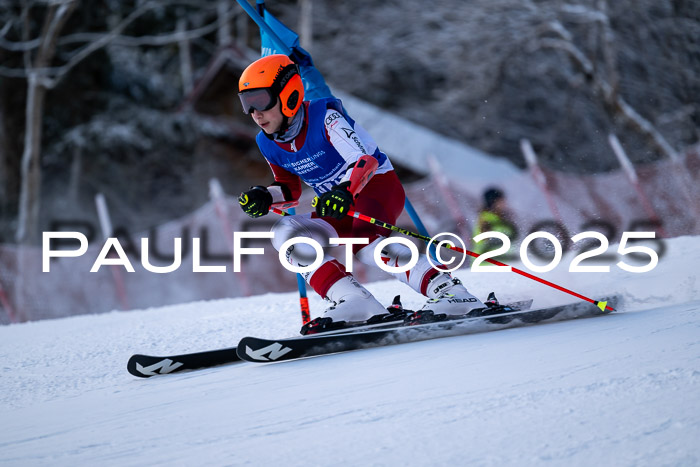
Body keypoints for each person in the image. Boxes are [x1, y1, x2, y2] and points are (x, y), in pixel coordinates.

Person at [237, 54, 484, 333]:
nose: (255, 113)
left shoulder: (325, 118)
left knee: (365, 245)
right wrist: (266, 196)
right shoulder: (267, 142)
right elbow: (289, 189)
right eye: (247, 103)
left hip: (375, 187)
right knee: (286, 231)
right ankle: (353, 299)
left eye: (261, 101)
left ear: (289, 95)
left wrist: (344, 190)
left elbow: (365, 160)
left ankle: (449, 291)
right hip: (337, 204)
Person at [472, 187, 517, 256]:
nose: (504, 203)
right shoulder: (487, 219)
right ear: (493, 202)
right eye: (501, 201)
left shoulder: (497, 218)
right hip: (489, 263)